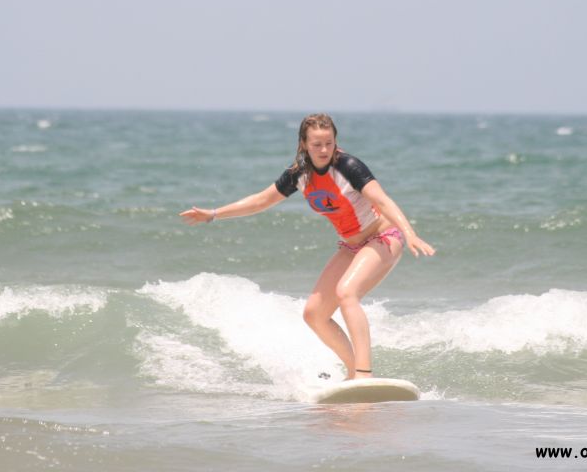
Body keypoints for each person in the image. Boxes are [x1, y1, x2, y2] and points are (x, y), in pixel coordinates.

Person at [180, 113, 435, 380]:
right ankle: (353, 371)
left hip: (384, 237)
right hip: (351, 246)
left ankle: (364, 374)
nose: (324, 150)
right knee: (314, 314)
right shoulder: (299, 174)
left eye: (329, 143)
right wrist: (213, 213)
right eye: (317, 144)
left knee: (347, 292)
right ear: (304, 144)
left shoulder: (349, 167)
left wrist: (411, 233)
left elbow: (382, 201)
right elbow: (260, 201)